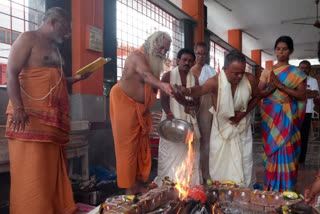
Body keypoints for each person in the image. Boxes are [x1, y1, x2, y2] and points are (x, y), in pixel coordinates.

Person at [5, 7, 92, 214]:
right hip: (28, 120)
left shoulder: (54, 48)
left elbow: (56, 81)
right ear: (53, 22)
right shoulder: (28, 38)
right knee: (31, 175)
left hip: (50, 124)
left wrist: (77, 79)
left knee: (47, 175)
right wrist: (18, 107)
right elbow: (10, 72)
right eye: (66, 27)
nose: (68, 33)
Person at [178, 50, 259, 187]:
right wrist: (188, 91)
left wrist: (242, 114)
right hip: (221, 129)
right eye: (235, 73)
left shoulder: (249, 79)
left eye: (242, 72)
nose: (240, 76)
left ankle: (242, 195)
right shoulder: (215, 82)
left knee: (244, 163)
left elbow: (257, 97)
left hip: (241, 129)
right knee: (220, 166)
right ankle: (220, 197)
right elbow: (200, 89)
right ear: (225, 69)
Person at [109, 31, 174, 195]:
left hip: (140, 110)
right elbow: (146, 75)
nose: (163, 53)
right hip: (123, 104)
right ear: (152, 43)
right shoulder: (136, 56)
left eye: (166, 51)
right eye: (161, 49)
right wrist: (162, 86)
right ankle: (129, 189)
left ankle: (137, 184)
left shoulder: (154, 62)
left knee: (139, 148)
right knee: (128, 150)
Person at [258, 36, 307, 192]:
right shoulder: (268, 71)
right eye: (278, 49)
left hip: (287, 116)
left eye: (284, 49)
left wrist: (282, 87)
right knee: (273, 149)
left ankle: (286, 187)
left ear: (290, 51)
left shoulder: (297, 73)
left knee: (286, 148)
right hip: (270, 116)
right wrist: (271, 89)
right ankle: (271, 186)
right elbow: (259, 92)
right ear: (275, 51)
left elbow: (301, 95)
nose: (281, 52)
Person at [154, 48, 202, 186]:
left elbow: (197, 101)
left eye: (190, 61)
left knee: (189, 152)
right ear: (178, 61)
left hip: (188, 121)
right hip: (171, 119)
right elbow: (163, 99)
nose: (187, 63)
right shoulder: (168, 76)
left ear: (193, 63)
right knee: (171, 152)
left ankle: (189, 184)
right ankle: (168, 183)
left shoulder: (195, 80)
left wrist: (190, 106)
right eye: (184, 60)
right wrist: (170, 114)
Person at [190, 42, 216, 182]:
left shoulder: (211, 71)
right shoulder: (190, 70)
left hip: (208, 106)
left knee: (207, 140)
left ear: (207, 55)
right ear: (195, 53)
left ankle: (206, 172)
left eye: (203, 53)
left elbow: (216, 89)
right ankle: (195, 173)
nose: (201, 56)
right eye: (198, 53)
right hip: (194, 106)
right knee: (194, 140)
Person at [298, 60, 319, 166]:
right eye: (302, 67)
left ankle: (301, 160)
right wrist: (306, 92)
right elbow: (292, 94)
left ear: (309, 69)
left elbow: (314, 94)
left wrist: (300, 92)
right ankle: (293, 158)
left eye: (306, 68)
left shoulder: (313, 81)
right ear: (299, 68)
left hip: (307, 111)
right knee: (294, 136)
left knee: (304, 136)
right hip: (295, 111)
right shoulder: (295, 80)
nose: (304, 69)